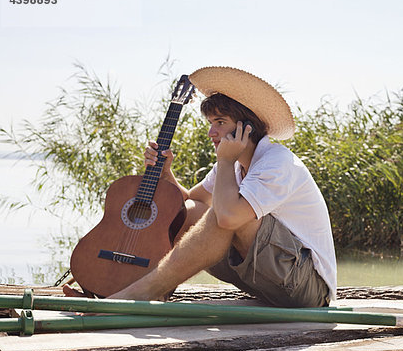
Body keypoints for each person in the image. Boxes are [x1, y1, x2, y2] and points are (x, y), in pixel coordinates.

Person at [109, 66, 336, 307]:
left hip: (308, 288)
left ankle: (139, 293)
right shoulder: (233, 166)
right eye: (210, 123)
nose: (211, 132)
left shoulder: (277, 162)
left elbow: (227, 217)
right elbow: (187, 203)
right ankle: (138, 288)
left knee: (226, 213)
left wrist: (225, 160)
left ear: (246, 127)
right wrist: (166, 173)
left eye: (220, 122)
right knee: (189, 210)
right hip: (267, 279)